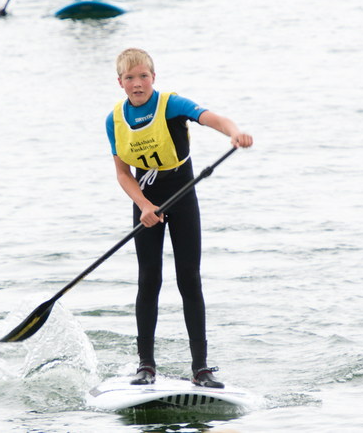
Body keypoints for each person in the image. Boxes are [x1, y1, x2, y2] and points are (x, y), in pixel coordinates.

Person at [105, 48, 254, 388]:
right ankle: (146, 366)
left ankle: (200, 369)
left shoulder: (170, 104)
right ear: (121, 83)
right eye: (130, 78)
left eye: (143, 76)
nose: (138, 83)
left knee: (189, 278)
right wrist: (143, 205)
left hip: (183, 194)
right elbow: (123, 173)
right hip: (146, 203)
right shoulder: (114, 119)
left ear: (153, 78)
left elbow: (213, 118)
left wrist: (233, 132)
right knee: (149, 280)